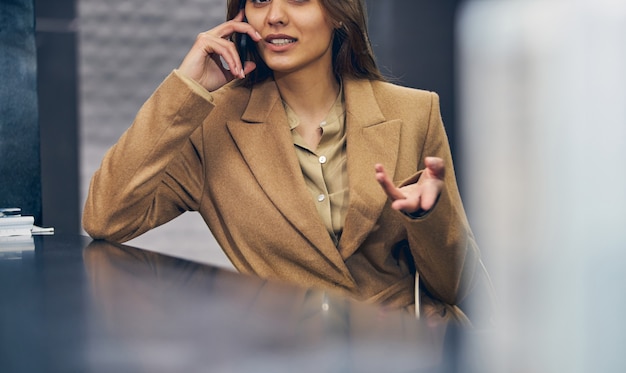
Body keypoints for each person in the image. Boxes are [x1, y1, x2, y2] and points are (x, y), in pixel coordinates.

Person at [83, 0, 489, 323]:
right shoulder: (211, 125)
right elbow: (106, 217)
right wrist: (186, 90)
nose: (275, 16)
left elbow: (457, 286)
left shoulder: (415, 112)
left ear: (338, 14)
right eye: (260, 0)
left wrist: (429, 217)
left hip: (409, 361)